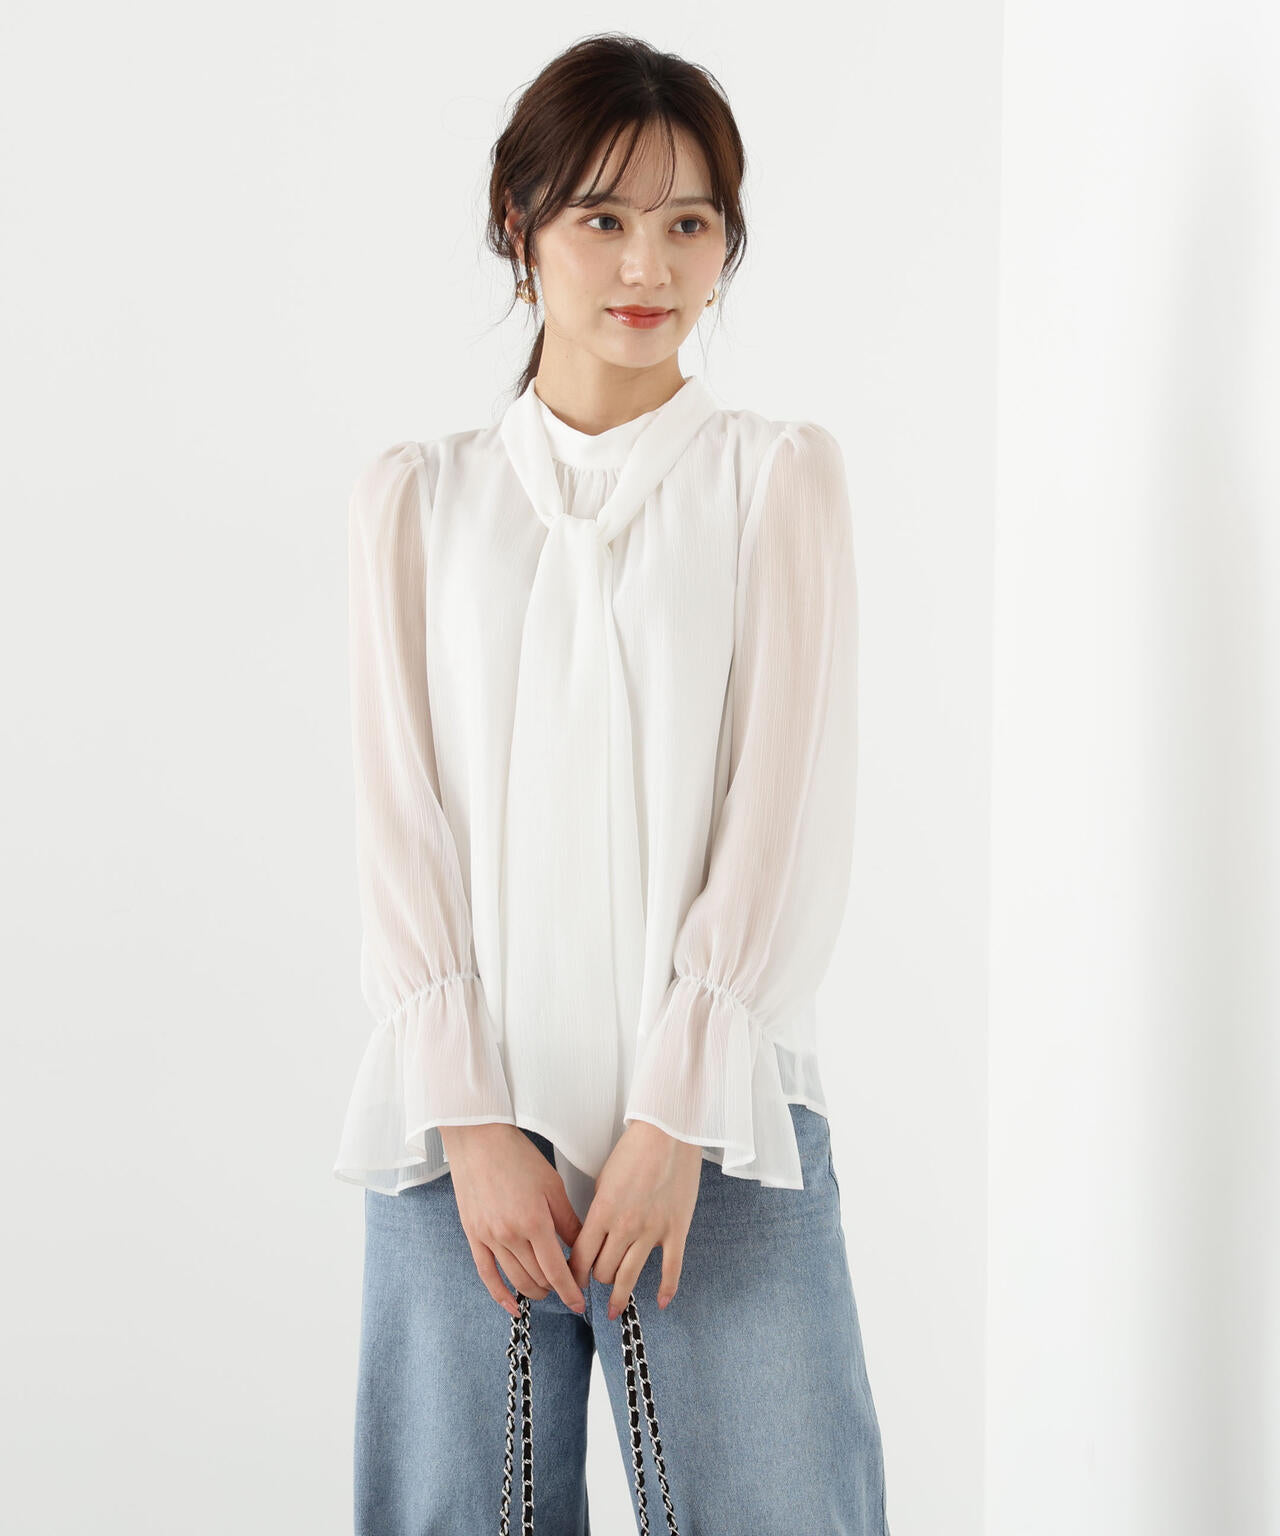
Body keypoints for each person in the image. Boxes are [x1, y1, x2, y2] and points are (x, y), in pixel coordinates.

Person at [333, 32, 891, 1536]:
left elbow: (783, 816)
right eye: (603, 217)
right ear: (519, 230)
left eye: (689, 221)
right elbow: (398, 826)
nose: (649, 263)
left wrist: (677, 1113)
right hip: (464, 1133)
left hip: (725, 1126)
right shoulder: (417, 501)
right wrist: (469, 1122)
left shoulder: (775, 479)